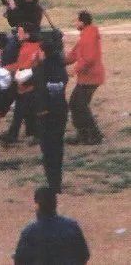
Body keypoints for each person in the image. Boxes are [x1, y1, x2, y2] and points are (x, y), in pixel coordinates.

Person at [13, 187, 90, 264]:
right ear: (55, 203)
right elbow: (84, 255)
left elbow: (19, 260)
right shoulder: (72, 226)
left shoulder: (30, 231)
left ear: (37, 204)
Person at [34, 38, 69, 193]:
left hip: (46, 112)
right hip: (60, 109)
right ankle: (57, 182)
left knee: (47, 149)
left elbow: (40, 89)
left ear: (43, 51)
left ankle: (52, 183)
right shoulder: (60, 66)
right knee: (58, 146)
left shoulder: (42, 67)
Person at [65, 11, 105, 145]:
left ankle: (93, 135)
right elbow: (74, 55)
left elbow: (89, 58)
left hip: (90, 77)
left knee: (79, 105)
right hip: (88, 77)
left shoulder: (88, 36)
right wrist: (61, 59)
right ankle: (85, 135)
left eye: (76, 21)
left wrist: (74, 69)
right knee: (77, 105)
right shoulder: (86, 35)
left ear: (82, 22)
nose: (75, 23)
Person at [1, 24, 43, 144]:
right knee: (26, 110)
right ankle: (31, 132)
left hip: (27, 83)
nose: (18, 35)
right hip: (28, 83)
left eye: (20, 32)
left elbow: (25, 65)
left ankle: (13, 135)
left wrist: (9, 69)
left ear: (27, 34)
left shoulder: (30, 48)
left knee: (20, 110)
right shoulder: (28, 45)